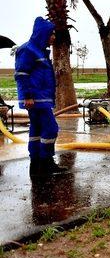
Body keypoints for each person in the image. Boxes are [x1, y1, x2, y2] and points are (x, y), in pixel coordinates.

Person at [15, 17, 67, 178]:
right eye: (51, 34)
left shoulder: (39, 51)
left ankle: (36, 164)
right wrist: (28, 96)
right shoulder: (28, 50)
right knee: (51, 128)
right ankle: (46, 162)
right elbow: (21, 74)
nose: (53, 37)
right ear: (42, 34)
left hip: (41, 98)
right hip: (36, 99)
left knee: (37, 130)